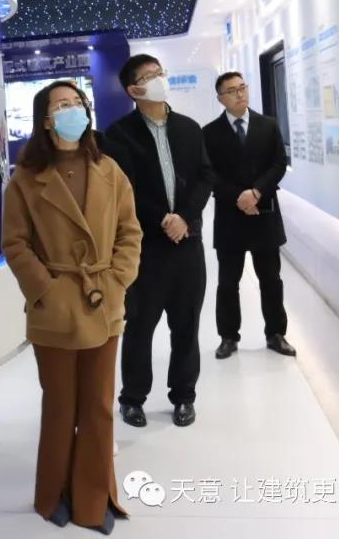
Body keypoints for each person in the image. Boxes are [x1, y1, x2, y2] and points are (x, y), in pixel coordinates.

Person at [2, 81, 142, 535]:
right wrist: (46, 289)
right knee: (60, 405)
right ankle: (53, 494)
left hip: (103, 301)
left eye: (77, 102)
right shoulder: (26, 178)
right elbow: (15, 243)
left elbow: (130, 232)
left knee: (99, 406)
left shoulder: (109, 170)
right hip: (54, 307)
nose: (72, 110)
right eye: (61, 105)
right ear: (45, 119)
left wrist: (117, 280)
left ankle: (95, 498)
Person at [105, 54, 214, 429]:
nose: (159, 79)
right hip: (144, 248)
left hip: (187, 243)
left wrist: (183, 216)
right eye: (149, 76)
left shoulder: (189, 128)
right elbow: (124, 189)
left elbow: (204, 176)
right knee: (139, 326)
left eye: (160, 72)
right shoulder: (118, 135)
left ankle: (184, 396)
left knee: (186, 325)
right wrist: (161, 219)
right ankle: (132, 398)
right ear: (133, 90)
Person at [203, 72, 297, 360]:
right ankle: (228, 337)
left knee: (271, 278)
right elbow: (209, 174)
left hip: (264, 211)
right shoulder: (209, 133)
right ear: (220, 98)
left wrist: (255, 192)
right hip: (230, 216)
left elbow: (279, 163)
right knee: (227, 282)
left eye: (242, 87)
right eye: (232, 90)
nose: (239, 94)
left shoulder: (268, 125)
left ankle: (276, 334)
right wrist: (239, 197)